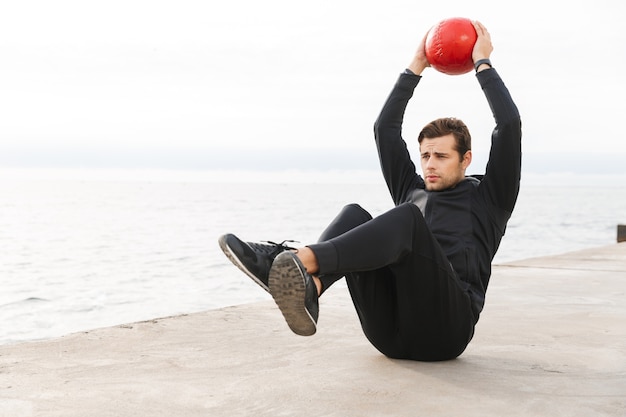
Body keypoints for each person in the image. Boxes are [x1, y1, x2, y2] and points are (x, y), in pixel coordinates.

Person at [219, 21, 521, 361]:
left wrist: (482, 62)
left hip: (446, 332)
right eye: (424, 156)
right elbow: (385, 130)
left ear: (466, 159)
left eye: (441, 156)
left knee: (405, 219)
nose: (430, 164)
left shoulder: (490, 198)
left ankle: (298, 260)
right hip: (387, 335)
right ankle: (312, 289)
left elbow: (508, 126)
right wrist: (416, 64)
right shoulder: (412, 190)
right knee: (355, 215)